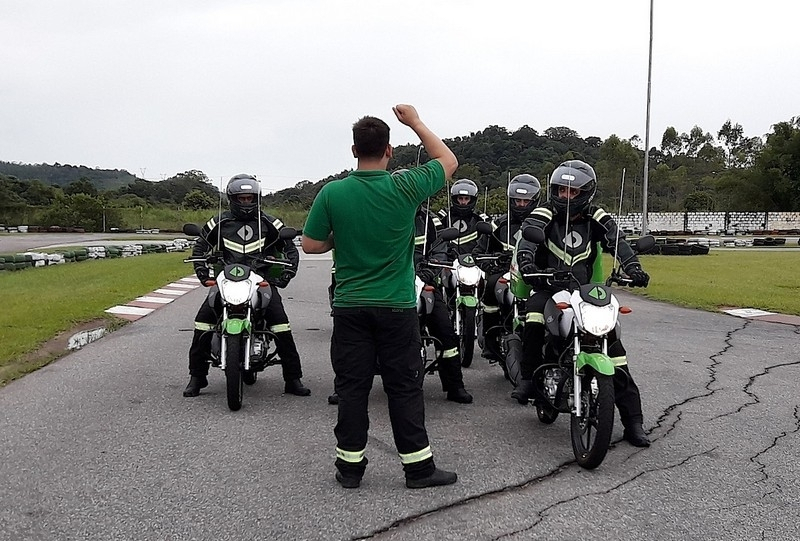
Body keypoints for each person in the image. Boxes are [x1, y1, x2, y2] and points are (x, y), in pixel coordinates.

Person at [302, 104, 459, 489]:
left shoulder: (333, 192)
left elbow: (309, 245)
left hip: (350, 306)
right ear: (389, 150)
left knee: (352, 389)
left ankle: (350, 469)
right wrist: (416, 122)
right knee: (404, 388)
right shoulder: (405, 187)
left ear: (353, 151)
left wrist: (342, 237)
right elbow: (448, 160)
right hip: (397, 306)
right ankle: (418, 469)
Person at [513, 160, 652, 447]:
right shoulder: (543, 212)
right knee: (534, 317)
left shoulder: (596, 215)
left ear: (586, 193)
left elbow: (618, 241)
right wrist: (526, 261)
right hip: (548, 286)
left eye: (572, 192)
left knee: (615, 350)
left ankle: (634, 422)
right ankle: (528, 379)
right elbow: (528, 237)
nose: (565, 196)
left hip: (586, 291)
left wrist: (634, 268)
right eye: (561, 190)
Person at [183, 174, 311, 398]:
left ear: (257, 198)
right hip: (225, 281)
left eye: (249, 198)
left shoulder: (270, 223)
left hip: (261, 281)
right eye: (241, 198)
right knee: (202, 323)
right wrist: (203, 275)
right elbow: (201, 246)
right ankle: (197, 377)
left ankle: (293, 379)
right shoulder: (219, 223)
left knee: (280, 325)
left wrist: (287, 274)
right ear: (232, 198)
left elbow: (290, 248)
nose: (245, 203)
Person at [473, 174, 541, 363]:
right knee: (492, 285)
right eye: (517, 201)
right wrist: (490, 263)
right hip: (504, 272)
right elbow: (479, 250)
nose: (521, 205)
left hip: (532, 273)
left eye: (526, 201)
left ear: (535, 201)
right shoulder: (500, 224)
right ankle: (490, 339)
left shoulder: (545, 224)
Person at [413, 195, 473, 404]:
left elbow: (440, 249)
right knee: (360, 333)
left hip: (423, 281)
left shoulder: (430, 220)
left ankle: (455, 386)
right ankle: (347, 387)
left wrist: (429, 271)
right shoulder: (380, 216)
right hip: (390, 284)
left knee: (445, 332)